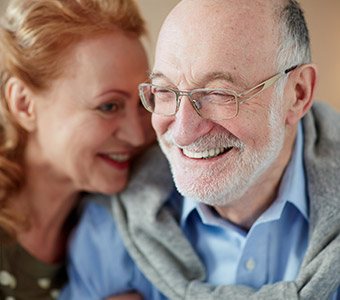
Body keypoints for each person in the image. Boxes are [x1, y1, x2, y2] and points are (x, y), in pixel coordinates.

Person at [62, 0, 340, 299]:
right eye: (165, 92)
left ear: (298, 94)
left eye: (219, 93)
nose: (181, 132)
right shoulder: (107, 234)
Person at [0, 0, 155, 299]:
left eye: (143, 102)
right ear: (24, 103)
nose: (138, 135)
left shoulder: (130, 215)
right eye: (109, 106)